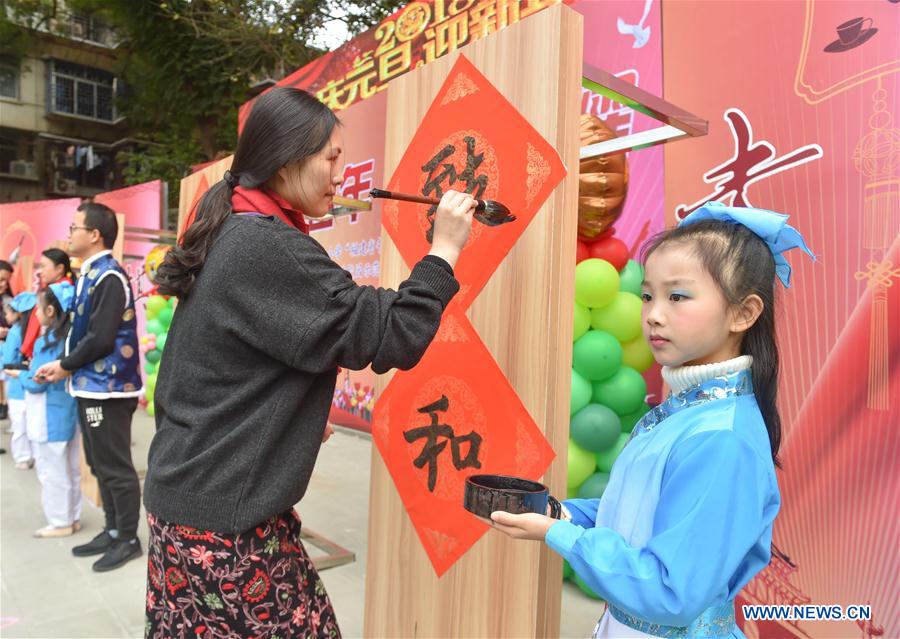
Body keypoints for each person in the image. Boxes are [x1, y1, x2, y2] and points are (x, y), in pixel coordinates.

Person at [141, 87, 475, 638]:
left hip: (198, 502)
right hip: (223, 524)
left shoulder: (237, 229)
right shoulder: (261, 244)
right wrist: (445, 249)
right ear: (287, 156)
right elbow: (390, 333)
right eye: (331, 158)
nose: (340, 173)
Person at [489, 203, 814, 639]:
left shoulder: (721, 439)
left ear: (743, 313)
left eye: (677, 296)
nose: (654, 314)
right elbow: (635, 515)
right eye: (647, 296)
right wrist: (558, 512)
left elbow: (670, 592)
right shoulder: (688, 410)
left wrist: (560, 535)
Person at [36, 202, 144, 572]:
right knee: (99, 464)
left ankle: (128, 538)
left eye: (74, 227)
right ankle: (113, 531)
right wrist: (63, 365)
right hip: (91, 385)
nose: (69, 234)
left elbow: (100, 339)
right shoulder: (91, 274)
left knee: (114, 466)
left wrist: (64, 366)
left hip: (109, 387)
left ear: (95, 235)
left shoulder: (109, 277)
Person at [9, 283, 82, 537]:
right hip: (67, 413)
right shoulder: (71, 339)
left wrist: (19, 374)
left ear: (50, 311)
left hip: (48, 416)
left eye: (39, 309)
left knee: (52, 470)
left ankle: (60, 522)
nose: (35, 314)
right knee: (69, 468)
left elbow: (37, 382)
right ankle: (72, 517)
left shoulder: (47, 342)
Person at [2, 292, 37, 468]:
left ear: (18, 313)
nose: (6, 316)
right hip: (34, 384)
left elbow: (7, 360)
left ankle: (23, 457)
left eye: (8, 312)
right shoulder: (38, 332)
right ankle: (36, 456)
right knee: (33, 423)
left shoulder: (15, 332)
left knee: (19, 425)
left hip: (16, 386)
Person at [21, 248, 75, 360]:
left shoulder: (63, 292)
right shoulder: (55, 289)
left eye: (43, 266)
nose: (40, 271)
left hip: (51, 348)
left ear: (60, 268)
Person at [0, 259, 15, 423]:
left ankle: (3, 405)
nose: (4, 284)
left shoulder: (9, 300)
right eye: (1, 279)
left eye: (6, 281)